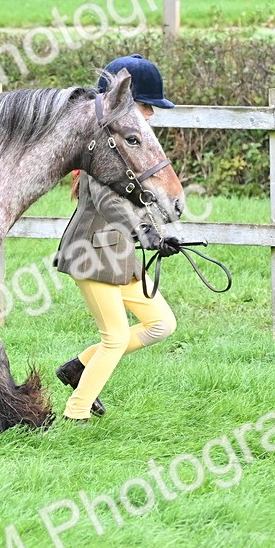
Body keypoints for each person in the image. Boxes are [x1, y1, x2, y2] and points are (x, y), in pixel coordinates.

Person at [53, 54, 178, 422]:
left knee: (161, 325)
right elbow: (109, 203)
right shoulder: (102, 149)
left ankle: (78, 368)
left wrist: (157, 234)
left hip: (119, 255)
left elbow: (136, 200)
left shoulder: (129, 147)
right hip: (91, 253)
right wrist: (146, 234)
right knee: (116, 337)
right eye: (145, 106)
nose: (151, 115)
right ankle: (76, 413)